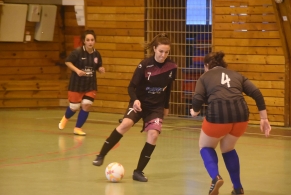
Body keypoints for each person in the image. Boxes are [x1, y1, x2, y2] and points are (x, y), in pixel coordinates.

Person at [92, 33, 177, 182]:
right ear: (154, 49)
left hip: (156, 107)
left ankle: (138, 172)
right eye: (161, 51)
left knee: (154, 135)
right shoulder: (144, 65)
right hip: (140, 103)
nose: (163, 55)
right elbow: (131, 87)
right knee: (126, 124)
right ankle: (101, 155)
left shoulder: (171, 67)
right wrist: (135, 100)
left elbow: (168, 87)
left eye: (167, 52)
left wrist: (166, 106)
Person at [190, 51, 271, 195]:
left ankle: (215, 177)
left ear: (207, 66)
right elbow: (257, 93)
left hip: (218, 114)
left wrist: (194, 111)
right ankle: (238, 188)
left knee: (205, 146)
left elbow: (197, 99)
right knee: (228, 149)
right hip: (241, 115)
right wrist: (264, 118)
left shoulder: (205, 76)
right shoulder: (236, 75)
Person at [58, 29, 105, 136]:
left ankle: (78, 128)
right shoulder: (77, 52)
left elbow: (98, 66)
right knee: (74, 107)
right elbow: (67, 62)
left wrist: (100, 69)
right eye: (88, 40)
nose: (90, 42)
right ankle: (65, 118)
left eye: (92, 40)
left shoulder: (97, 54)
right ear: (84, 41)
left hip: (90, 84)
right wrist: (77, 70)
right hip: (76, 84)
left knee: (87, 104)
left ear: (94, 41)